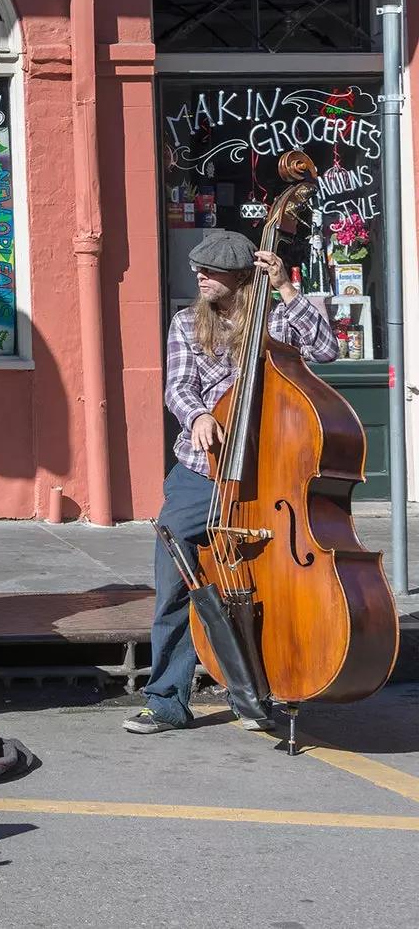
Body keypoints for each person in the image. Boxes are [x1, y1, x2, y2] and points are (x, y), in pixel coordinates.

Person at [126, 231, 337, 735]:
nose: (200, 276)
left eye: (212, 271)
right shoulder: (185, 322)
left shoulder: (273, 318)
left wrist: (286, 287)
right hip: (203, 472)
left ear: (242, 277)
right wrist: (197, 415)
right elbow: (178, 385)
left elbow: (326, 351)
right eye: (198, 268)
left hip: (269, 477)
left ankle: (258, 690)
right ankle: (167, 700)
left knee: (272, 583)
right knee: (176, 579)